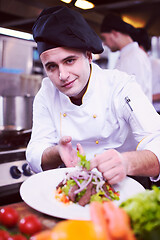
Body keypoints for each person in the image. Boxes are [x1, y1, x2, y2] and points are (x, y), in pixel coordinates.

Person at [26, 6, 160, 188]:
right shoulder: (47, 93)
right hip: (73, 188)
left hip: (127, 186)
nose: (62, 75)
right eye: (51, 66)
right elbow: (35, 150)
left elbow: (157, 140)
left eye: (69, 60)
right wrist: (57, 152)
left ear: (89, 56)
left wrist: (126, 162)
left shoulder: (120, 86)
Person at [100, 13, 152, 102]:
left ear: (115, 34)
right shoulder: (128, 54)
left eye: (104, 38)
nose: (104, 43)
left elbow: (134, 97)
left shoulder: (134, 56)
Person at [133, 27, 160, 114]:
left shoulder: (156, 64)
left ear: (139, 46)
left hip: (156, 110)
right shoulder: (136, 63)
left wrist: (146, 97)